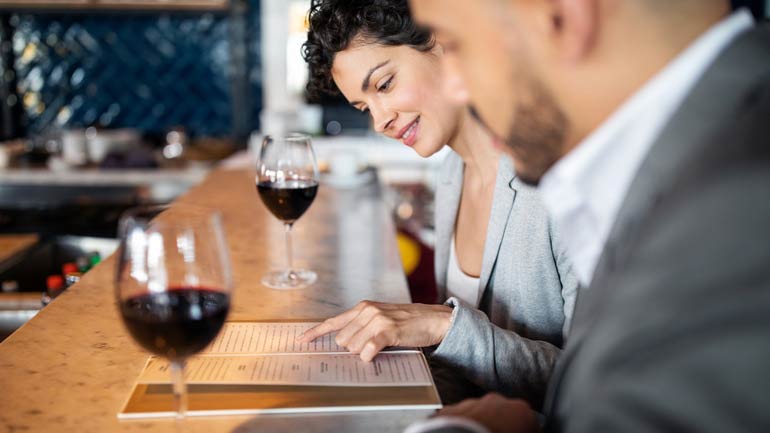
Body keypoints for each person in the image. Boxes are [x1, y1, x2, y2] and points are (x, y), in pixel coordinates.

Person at [402, 0, 770, 432]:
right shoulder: (685, 157)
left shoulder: (737, 212)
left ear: (562, 16)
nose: (457, 89)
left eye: (454, 45)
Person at [298, 0, 578, 408]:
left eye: (384, 84)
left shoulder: (558, 179)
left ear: (441, 40)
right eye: (364, 107)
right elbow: (469, 366)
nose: (380, 121)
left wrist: (444, 327)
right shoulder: (451, 175)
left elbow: (597, 387)